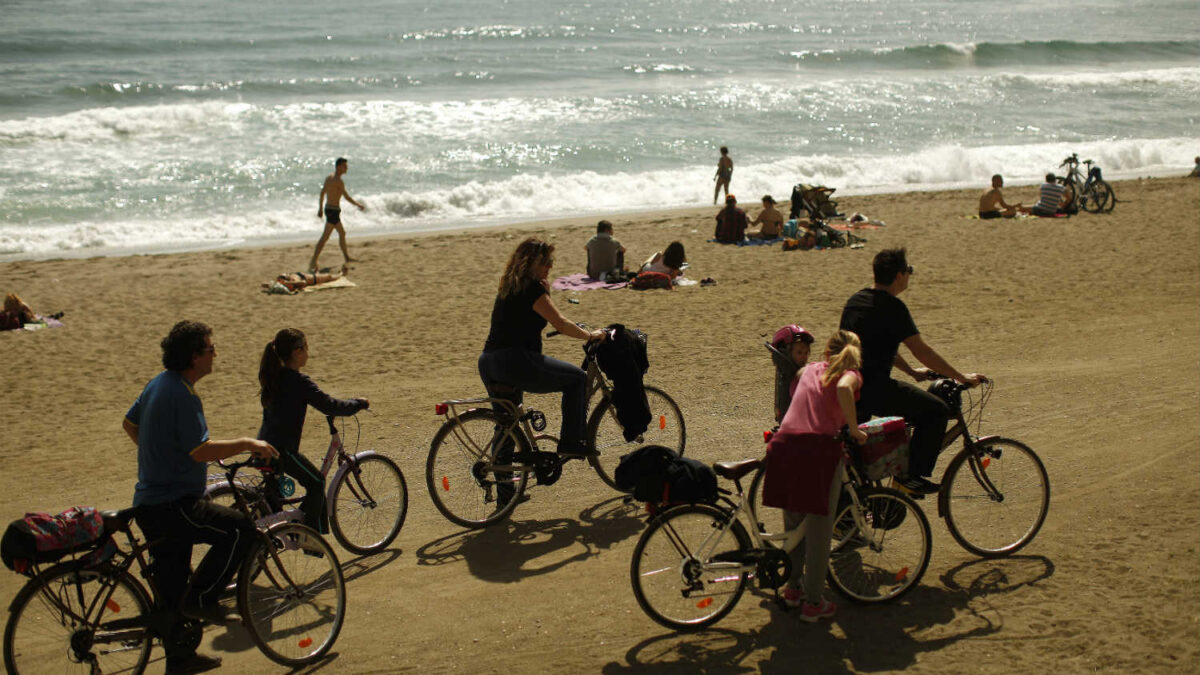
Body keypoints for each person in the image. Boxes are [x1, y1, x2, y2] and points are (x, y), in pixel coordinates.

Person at [123, 321, 278, 674]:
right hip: (174, 503)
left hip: (149, 502)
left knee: (172, 587)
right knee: (241, 530)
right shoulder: (181, 393)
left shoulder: (157, 384)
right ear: (194, 357)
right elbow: (200, 450)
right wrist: (247, 442)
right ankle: (205, 599)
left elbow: (130, 424)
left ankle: (180, 659)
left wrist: (159, 456)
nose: (215, 354)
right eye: (210, 349)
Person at [838, 248, 986, 494]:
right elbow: (923, 352)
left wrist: (912, 373)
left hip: (850, 385)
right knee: (936, 411)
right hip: (873, 388)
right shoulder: (894, 308)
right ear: (898, 276)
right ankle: (910, 476)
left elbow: (881, 345)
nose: (909, 276)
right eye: (908, 271)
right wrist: (961, 377)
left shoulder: (856, 301)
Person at [762, 330, 869, 622]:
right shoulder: (851, 375)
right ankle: (813, 602)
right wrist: (854, 428)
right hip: (817, 451)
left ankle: (793, 589)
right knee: (820, 531)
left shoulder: (808, 369)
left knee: (794, 526)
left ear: (825, 352)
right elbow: (845, 391)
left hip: (784, 446)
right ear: (856, 358)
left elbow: (799, 399)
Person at [479, 237, 606, 472]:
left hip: (489, 362)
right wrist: (591, 335)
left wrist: (547, 292)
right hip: (515, 361)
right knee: (577, 379)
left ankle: (505, 497)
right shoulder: (532, 288)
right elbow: (561, 324)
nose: (550, 267)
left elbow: (531, 317)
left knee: (507, 426)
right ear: (531, 262)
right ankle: (571, 443)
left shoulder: (509, 285)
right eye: (546, 261)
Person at [257, 328, 369, 534]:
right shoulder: (298, 382)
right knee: (316, 482)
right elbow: (329, 405)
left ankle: (273, 536)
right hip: (282, 451)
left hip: (263, 446)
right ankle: (309, 536)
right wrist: (357, 404)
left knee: (272, 502)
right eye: (306, 348)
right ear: (297, 352)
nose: (308, 352)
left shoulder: (274, 376)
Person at [310, 157, 366, 273]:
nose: (346, 168)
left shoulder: (329, 178)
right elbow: (346, 197)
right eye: (345, 166)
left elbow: (322, 194)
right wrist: (358, 205)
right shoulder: (338, 181)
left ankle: (346, 257)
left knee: (341, 233)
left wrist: (320, 209)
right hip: (333, 211)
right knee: (325, 237)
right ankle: (313, 261)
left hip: (329, 209)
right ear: (339, 166)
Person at [769, 324, 815, 422]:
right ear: (787, 353)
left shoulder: (789, 369)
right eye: (799, 352)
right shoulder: (791, 371)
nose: (804, 357)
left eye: (806, 353)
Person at [262, 270, 343, 292]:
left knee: (328, 275)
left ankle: (340, 273)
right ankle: (341, 274)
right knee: (329, 277)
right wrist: (287, 282)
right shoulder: (290, 281)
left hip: (309, 275)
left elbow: (265, 284)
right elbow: (303, 283)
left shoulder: (288, 279)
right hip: (314, 278)